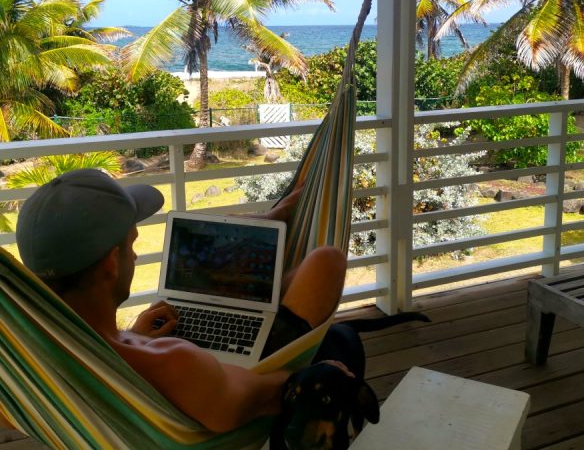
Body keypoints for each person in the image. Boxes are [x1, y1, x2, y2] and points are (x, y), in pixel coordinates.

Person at [15, 168, 347, 433]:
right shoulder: (175, 363)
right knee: (329, 280)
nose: (135, 254)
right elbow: (271, 393)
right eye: (132, 243)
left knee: (276, 283)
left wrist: (133, 336)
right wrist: (328, 371)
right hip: (231, 399)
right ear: (112, 265)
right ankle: (276, 218)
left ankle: (274, 216)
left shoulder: (28, 364)